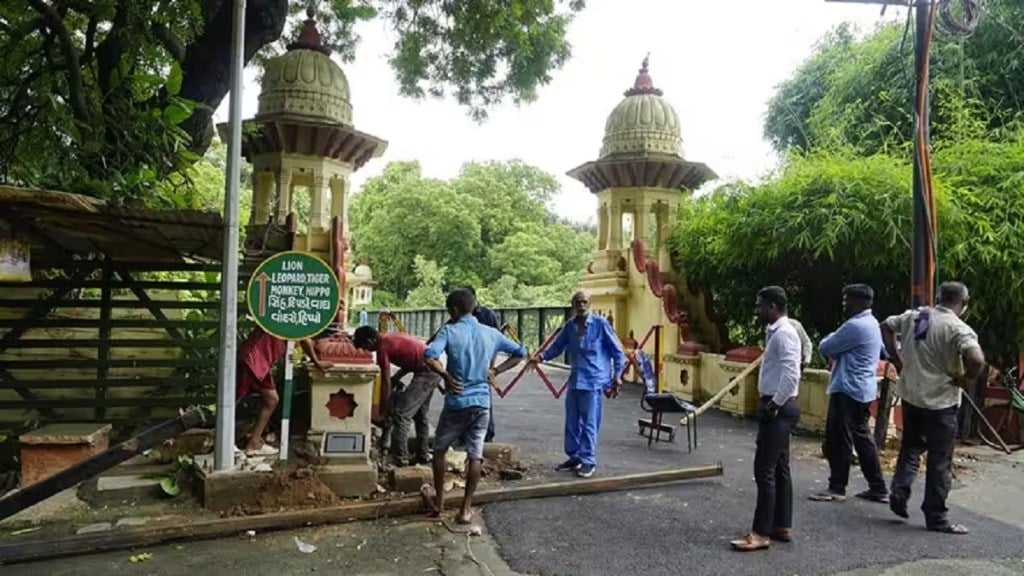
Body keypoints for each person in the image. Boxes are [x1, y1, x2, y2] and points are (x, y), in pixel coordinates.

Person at [882, 281, 985, 535]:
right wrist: (966, 378)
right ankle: (936, 516)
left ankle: (899, 490)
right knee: (940, 458)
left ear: (939, 297)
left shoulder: (915, 316)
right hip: (941, 402)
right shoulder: (957, 328)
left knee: (911, 447)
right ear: (963, 303)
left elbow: (886, 325)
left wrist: (897, 358)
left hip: (911, 395)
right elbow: (976, 359)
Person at [422, 289, 527, 524]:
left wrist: (446, 376)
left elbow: (429, 355)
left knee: (439, 450)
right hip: (482, 403)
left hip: (456, 402)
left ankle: (439, 503)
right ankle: (466, 509)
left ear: (453, 311)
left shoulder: (449, 331)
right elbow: (521, 352)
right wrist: (496, 371)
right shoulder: (491, 333)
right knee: (475, 454)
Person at [732, 286, 802, 552]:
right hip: (779, 405)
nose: (757, 310)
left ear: (773, 306)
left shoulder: (784, 334)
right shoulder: (776, 332)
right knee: (780, 467)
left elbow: (791, 375)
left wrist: (774, 404)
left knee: (765, 470)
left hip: (779, 406)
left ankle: (761, 532)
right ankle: (781, 524)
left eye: (760, 305)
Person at [528, 290, 626, 479]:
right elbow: (557, 347)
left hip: (594, 381)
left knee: (589, 423)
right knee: (572, 422)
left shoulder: (600, 324)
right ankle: (575, 456)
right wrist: (540, 357)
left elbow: (618, 352)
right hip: (576, 379)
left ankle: (588, 460)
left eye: (584, 302)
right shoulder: (570, 326)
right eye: (578, 302)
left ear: (589, 304)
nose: (581, 305)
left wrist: (617, 376)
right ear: (573, 305)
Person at [809, 284, 888, 504]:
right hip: (863, 388)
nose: (844, 304)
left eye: (846, 300)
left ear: (858, 302)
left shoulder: (855, 326)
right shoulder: (872, 323)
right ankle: (878, 487)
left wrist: (833, 342)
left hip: (848, 388)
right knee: (862, 438)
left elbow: (825, 346)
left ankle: (837, 487)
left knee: (839, 439)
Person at [353, 325, 438, 467]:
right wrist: (396, 377)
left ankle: (400, 458)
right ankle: (423, 455)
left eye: (365, 347)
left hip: (427, 372)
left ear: (370, 340)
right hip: (432, 368)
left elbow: (385, 383)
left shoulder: (382, 348)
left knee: (402, 415)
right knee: (420, 416)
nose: (367, 350)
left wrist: (383, 412)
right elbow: (410, 359)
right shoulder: (389, 337)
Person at [237, 325, 329, 454]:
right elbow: (304, 339)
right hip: (253, 360)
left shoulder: (283, 330)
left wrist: (290, 353)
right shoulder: (291, 321)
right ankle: (225, 441)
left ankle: (254, 441)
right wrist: (317, 362)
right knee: (235, 399)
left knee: (271, 400)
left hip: (259, 363)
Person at [465, 286, 501, 443]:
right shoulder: (460, 314)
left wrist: (492, 367)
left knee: (484, 398)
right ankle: (465, 433)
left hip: (484, 361)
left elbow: (496, 341)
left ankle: (487, 434)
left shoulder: (487, 315)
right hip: (467, 361)